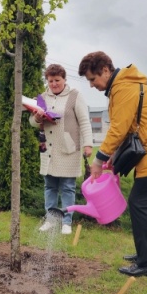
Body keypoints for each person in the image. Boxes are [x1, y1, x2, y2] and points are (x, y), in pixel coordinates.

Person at [79, 51, 147, 277]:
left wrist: (99, 159)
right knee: (144, 203)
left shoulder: (123, 87)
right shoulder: (120, 86)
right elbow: (128, 125)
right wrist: (112, 155)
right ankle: (146, 254)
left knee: (140, 203)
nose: (92, 85)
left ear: (105, 70)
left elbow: (119, 128)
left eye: (93, 79)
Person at [30, 64, 93, 235]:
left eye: (57, 80)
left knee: (67, 187)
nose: (54, 84)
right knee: (49, 186)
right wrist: (36, 118)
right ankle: (50, 219)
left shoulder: (75, 96)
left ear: (64, 79)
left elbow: (85, 121)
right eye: (50, 81)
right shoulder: (42, 97)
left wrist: (88, 144)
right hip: (49, 149)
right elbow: (32, 122)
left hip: (69, 149)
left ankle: (66, 221)